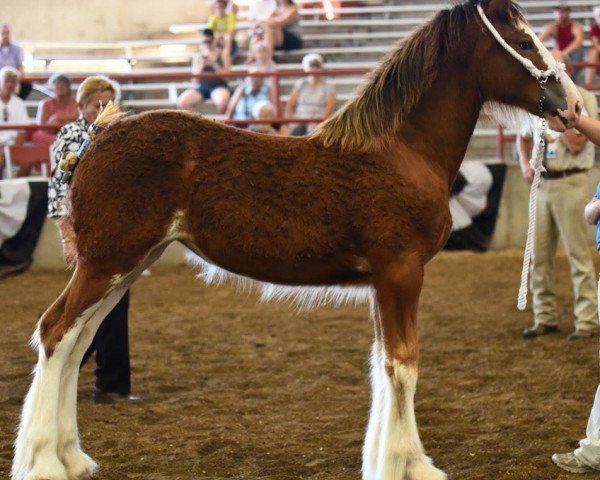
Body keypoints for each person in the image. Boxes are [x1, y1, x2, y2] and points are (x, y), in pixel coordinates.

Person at [48, 75, 139, 404]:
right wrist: (67, 237)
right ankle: (81, 373)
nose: (102, 110)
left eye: (107, 104)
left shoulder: (120, 136)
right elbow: (58, 187)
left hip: (116, 231)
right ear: (81, 107)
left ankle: (104, 381)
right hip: (88, 230)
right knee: (95, 303)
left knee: (111, 302)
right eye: (95, 105)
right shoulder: (70, 135)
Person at [517, 85, 599, 340]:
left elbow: (576, 144)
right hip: (542, 184)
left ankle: (587, 320)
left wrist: (558, 115)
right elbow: (523, 135)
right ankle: (544, 317)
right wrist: (524, 163)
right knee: (538, 256)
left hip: (570, 182)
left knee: (578, 255)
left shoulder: (582, 99)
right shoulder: (537, 96)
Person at [177, 28, 231, 114]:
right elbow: (194, 80)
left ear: (214, 40)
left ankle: (217, 126)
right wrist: (201, 67)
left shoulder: (223, 54)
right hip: (202, 87)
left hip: (218, 86)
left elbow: (227, 77)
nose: (207, 44)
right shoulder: (198, 56)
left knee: (223, 102)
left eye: (209, 41)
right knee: (182, 102)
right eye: (204, 42)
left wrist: (214, 64)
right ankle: (198, 125)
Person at [285, 53, 336, 136]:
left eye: (317, 66)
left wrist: (319, 121)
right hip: (300, 121)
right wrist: (292, 121)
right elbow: (289, 105)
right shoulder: (300, 84)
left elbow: (330, 107)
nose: (314, 69)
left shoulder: (328, 86)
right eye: (312, 66)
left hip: (319, 122)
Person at [539, 4, 584, 79]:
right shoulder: (552, 27)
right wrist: (550, 52)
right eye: (558, 12)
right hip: (560, 53)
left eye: (562, 11)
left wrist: (564, 53)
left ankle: (570, 79)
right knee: (554, 59)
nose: (560, 14)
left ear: (568, 13)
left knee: (576, 56)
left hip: (572, 54)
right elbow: (539, 39)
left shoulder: (575, 26)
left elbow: (578, 42)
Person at [31, 73, 78, 145]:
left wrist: (57, 117)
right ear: (53, 87)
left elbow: (77, 118)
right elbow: (42, 125)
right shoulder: (45, 103)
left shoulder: (74, 103)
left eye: (63, 84)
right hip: (50, 134)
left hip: (69, 133)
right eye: (57, 84)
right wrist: (54, 124)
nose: (60, 86)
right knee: (38, 135)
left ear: (68, 87)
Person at [0, 66, 29, 178]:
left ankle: (14, 192)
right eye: (7, 81)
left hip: (14, 145)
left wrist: (15, 147)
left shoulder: (19, 103)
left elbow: (23, 130)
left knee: (26, 163)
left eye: (13, 82)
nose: (10, 84)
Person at [0, 23, 31, 100]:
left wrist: (17, 78)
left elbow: (20, 66)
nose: (5, 36)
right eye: (3, 33)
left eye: (7, 33)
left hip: (14, 77)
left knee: (27, 85)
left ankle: (16, 100)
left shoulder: (17, 48)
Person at [207, 0, 237, 70]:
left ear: (224, 8)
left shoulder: (230, 16)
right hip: (217, 41)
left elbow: (231, 31)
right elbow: (210, 33)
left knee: (227, 37)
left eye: (221, 7)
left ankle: (226, 55)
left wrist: (221, 36)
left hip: (227, 41)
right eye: (217, 7)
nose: (219, 9)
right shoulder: (213, 18)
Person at [584, 6, 600, 86]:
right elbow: (596, 45)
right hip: (598, 55)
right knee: (594, 52)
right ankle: (588, 84)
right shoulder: (594, 28)